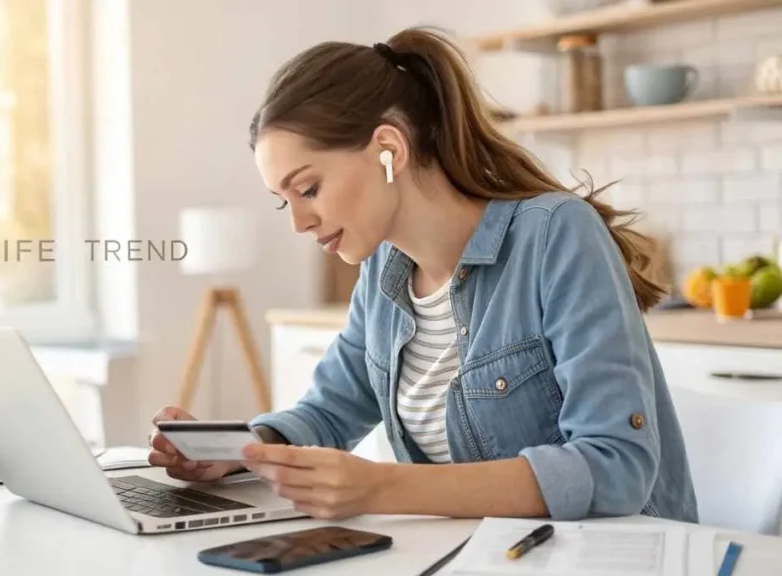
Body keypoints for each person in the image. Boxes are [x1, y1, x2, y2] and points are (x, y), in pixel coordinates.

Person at [147, 26, 699, 524]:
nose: (297, 222)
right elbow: (329, 411)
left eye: (308, 189)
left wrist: (384, 487)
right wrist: (233, 452)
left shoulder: (554, 235)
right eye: (282, 201)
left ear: (389, 148)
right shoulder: (384, 271)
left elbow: (615, 466)